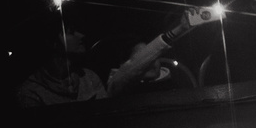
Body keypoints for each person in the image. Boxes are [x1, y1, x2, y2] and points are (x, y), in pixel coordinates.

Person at [15, 9, 210, 106]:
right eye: (71, 32)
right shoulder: (32, 93)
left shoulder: (88, 78)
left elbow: (132, 69)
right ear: (51, 42)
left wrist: (180, 29)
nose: (81, 35)